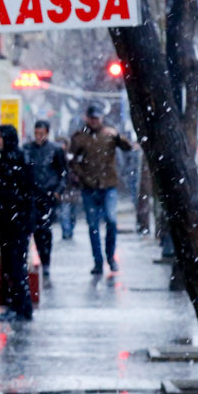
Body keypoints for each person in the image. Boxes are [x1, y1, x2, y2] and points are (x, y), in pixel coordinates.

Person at [68, 105, 133, 275]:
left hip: (108, 184)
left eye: (98, 118)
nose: (95, 121)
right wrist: (81, 175)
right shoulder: (80, 137)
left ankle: (110, 257)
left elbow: (128, 147)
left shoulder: (109, 134)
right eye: (92, 118)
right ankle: (98, 261)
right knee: (93, 225)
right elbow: (71, 158)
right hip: (89, 187)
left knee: (111, 221)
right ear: (87, 118)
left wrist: (117, 136)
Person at [0, 125, 35, 321]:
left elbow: (28, 191)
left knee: (16, 265)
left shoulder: (18, 159)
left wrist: (21, 218)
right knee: (10, 265)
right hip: (8, 222)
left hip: (16, 223)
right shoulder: (7, 159)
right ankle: (16, 305)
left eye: (0, 137)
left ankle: (20, 306)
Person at [23, 120, 68, 285]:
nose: (38, 137)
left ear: (47, 133)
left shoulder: (55, 150)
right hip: (31, 195)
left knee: (45, 230)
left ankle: (46, 260)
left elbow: (63, 172)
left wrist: (57, 190)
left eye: (41, 133)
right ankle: (34, 259)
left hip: (48, 196)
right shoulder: (27, 149)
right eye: (36, 133)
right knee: (32, 228)